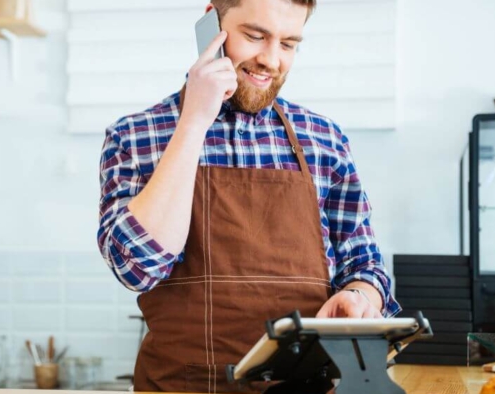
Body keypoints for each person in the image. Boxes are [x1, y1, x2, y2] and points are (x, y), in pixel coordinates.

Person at [97, 0, 401, 392]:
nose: (271, 60)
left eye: (289, 44)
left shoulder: (325, 141)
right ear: (212, 21)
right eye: (255, 36)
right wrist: (193, 122)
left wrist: (361, 296)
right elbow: (137, 267)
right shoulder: (135, 137)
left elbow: (364, 264)